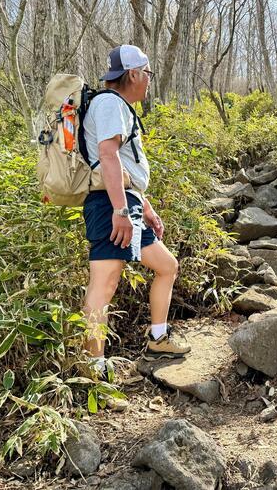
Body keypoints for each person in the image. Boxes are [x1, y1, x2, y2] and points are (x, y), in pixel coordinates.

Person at [81, 44, 190, 373]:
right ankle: (94, 366)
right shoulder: (110, 104)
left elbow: (124, 167)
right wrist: (119, 211)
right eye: (147, 74)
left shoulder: (117, 106)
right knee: (106, 281)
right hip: (110, 205)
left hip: (125, 201)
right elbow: (108, 156)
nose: (148, 80)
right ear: (132, 74)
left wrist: (145, 207)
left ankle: (158, 338)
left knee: (167, 266)